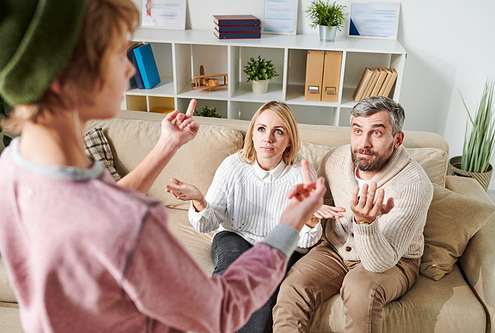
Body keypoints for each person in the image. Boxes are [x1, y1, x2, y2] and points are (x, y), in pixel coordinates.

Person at [0, 0, 327, 332]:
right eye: (118, 54)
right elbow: (221, 310)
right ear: (65, 74)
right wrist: (290, 222)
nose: (130, 69)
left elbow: (96, 203)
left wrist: (167, 145)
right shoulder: (130, 223)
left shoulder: (12, 166)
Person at [165, 101, 345, 333]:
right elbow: (207, 223)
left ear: (289, 140)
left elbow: (303, 245)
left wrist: (310, 220)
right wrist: (200, 201)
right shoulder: (232, 167)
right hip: (234, 236)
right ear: (252, 134)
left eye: (278, 131)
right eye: (261, 129)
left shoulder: (301, 174)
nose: (267, 138)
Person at [273, 96, 434, 333]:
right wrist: (310, 213)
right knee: (292, 288)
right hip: (335, 248)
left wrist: (365, 223)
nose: (364, 143)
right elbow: (318, 222)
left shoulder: (415, 185)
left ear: (397, 139)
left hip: (393, 260)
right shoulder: (335, 160)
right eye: (358, 131)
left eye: (376, 133)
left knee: (359, 291)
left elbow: (380, 263)